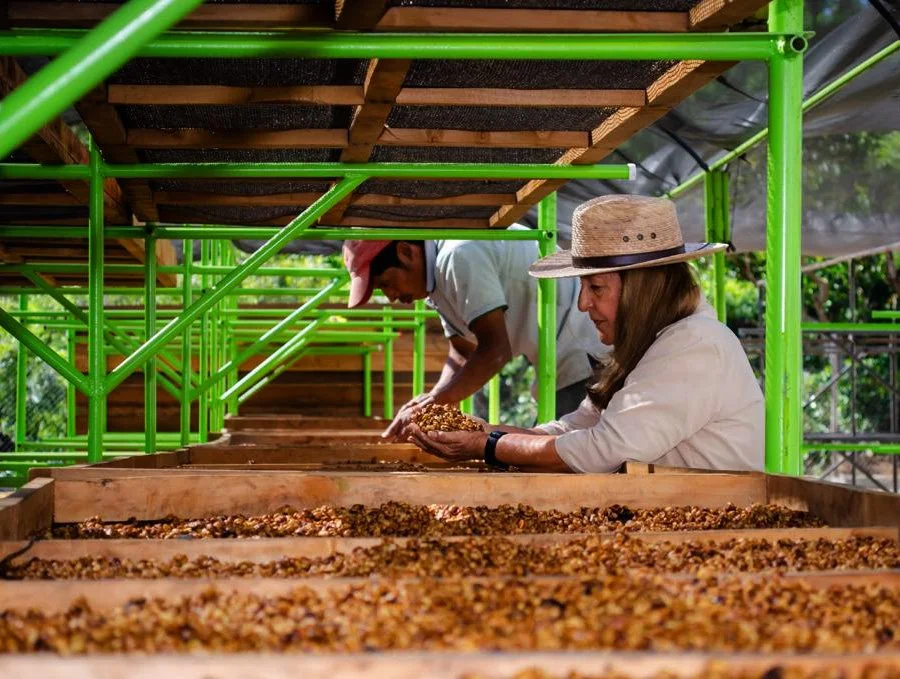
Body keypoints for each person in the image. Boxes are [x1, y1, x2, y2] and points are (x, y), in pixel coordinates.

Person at [404, 194, 765, 473]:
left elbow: (605, 450)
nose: (581, 304)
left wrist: (486, 445)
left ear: (642, 288)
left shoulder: (695, 344)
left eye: (595, 288)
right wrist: (482, 431)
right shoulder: (643, 350)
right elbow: (570, 429)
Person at [342, 227, 609, 438]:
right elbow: (462, 351)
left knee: (557, 458)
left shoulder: (458, 256)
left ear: (406, 252)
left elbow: (495, 351)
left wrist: (436, 401)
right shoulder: (435, 285)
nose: (390, 297)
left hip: (582, 352)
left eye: (385, 283)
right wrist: (427, 403)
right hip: (562, 363)